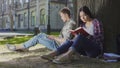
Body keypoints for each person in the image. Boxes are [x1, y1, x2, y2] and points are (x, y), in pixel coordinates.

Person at [6, 7, 76, 52]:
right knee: (41, 35)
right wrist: (53, 37)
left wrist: (54, 37)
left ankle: (18, 46)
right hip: (56, 42)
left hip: (58, 46)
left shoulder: (71, 24)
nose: (61, 18)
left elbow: (66, 41)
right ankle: (24, 46)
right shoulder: (68, 23)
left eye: (61, 16)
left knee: (38, 38)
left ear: (66, 15)